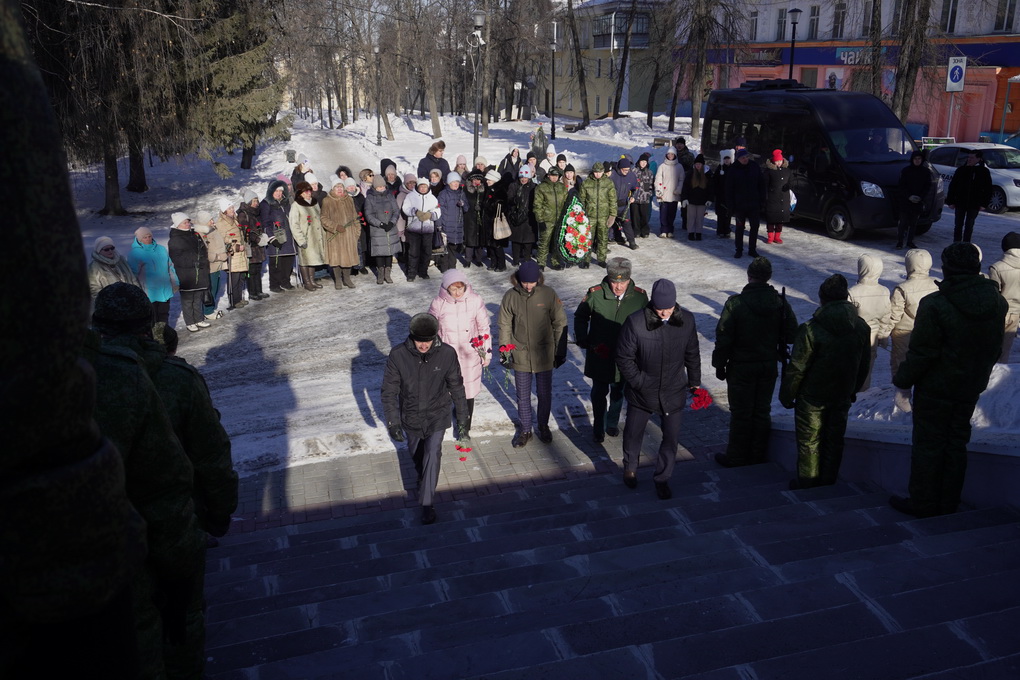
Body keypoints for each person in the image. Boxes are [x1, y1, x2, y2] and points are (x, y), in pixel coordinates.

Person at [94, 285, 237, 679]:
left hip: (109, 540)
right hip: (176, 525)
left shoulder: (81, 379)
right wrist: (220, 513)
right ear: (148, 325)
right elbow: (212, 456)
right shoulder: (176, 378)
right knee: (181, 620)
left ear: (97, 325)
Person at [890, 243, 1007, 517]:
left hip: (936, 388)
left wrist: (903, 381)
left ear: (947, 269)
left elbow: (922, 353)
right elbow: (994, 347)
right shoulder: (996, 302)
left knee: (929, 445)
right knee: (956, 443)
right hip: (970, 385)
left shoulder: (935, 304)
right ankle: (948, 501)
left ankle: (923, 502)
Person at [779, 274, 871, 489]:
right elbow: (863, 363)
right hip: (842, 393)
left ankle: (808, 482)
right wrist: (852, 389)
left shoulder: (810, 329)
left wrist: (787, 394)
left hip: (812, 397)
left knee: (809, 441)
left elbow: (797, 368)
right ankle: (828, 481)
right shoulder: (861, 327)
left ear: (822, 299)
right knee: (834, 439)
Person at [615, 279, 701, 500]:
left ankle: (663, 478)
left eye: (669, 308)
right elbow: (624, 357)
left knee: (671, 438)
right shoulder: (635, 322)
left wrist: (694, 381)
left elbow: (692, 353)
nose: (664, 313)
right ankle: (630, 468)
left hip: (673, 390)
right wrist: (639, 382)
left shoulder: (687, 320)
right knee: (633, 433)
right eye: (660, 308)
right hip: (642, 392)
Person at [382, 313, 469, 525]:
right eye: (419, 341)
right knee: (418, 456)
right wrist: (393, 422)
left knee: (432, 453)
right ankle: (424, 478)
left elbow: (456, 387)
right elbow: (389, 391)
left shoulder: (446, 354)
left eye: (427, 341)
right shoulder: (398, 355)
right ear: (412, 337)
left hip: (437, 414)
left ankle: (427, 504)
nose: (423, 345)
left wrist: (463, 418)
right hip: (411, 415)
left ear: (434, 337)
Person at [712, 257, 798, 468]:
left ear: (749, 275)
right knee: (761, 411)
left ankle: (736, 456)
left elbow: (724, 337)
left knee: (741, 413)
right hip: (767, 365)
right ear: (768, 277)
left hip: (741, 366)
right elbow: (792, 334)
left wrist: (719, 364)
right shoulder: (779, 302)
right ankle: (757, 455)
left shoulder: (736, 303)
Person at [575, 257, 648, 443]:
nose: (618, 287)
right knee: (599, 392)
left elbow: (647, 324)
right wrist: (583, 338)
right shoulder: (595, 294)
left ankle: (612, 422)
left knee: (618, 392)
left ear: (629, 280)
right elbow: (581, 316)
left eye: (622, 282)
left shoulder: (640, 298)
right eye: (614, 282)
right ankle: (598, 427)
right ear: (609, 279)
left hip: (626, 356)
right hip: (600, 353)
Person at [498, 260, 568, 447]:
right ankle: (525, 430)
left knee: (544, 393)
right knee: (522, 395)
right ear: (518, 279)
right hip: (520, 353)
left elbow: (560, 322)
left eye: (532, 282)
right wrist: (505, 351)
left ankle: (543, 425)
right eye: (525, 282)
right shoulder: (510, 296)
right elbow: (504, 324)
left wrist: (560, 351)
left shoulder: (548, 294)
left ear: (539, 279)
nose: (528, 286)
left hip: (544, 353)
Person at [428, 269, 491, 438]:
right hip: (446, 357)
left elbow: (484, 328)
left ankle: (464, 429)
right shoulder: (438, 303)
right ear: (446, 288)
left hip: (470, 354)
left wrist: (485, 353)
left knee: (467, 394)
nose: (457, 292)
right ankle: (443, 424)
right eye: (453, 289)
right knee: (447, 392)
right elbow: (430, 330)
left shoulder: (475, 300)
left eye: (460, 288)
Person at [888, 248, 939, 412]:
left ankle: (901, 403)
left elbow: (894, 315)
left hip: (904, 334)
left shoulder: (902, 288)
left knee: (902, 366)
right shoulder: (937, 284)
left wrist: (883, 333)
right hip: (930, 332)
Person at [848, 253, 892, 391]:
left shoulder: (853, 292)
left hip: (855, 336)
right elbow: (886, 315)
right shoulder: (884, 291)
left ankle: (851, 393)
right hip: (873, 335)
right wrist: (883, 335)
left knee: (851, 367)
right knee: (867, 367)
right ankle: (864, 391)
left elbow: (847, 316)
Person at [167, 212, 212, 332]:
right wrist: (194, 262)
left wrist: (203, 261)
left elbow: (202, 250)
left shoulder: (194, 235)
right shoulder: (175, 239)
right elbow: (176, 258)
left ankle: (198, 319)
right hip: (186, 275)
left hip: (199, 271)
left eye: (188, 222)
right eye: (184, 223)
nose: (187, 224)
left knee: (197, 297)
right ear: (178, 225)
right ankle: (190, 322)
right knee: (188, 299)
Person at [321, 175, 362, 289]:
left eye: (341, 187)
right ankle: (338, 280)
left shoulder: (349, 199)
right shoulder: (327, 201)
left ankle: (347, 279)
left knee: (348, 258)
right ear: (333, 188)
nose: (339, 189)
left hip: (349, 235)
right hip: (335, 236)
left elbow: (355, 217)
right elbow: (323, 218)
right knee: (336, 259)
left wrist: (356, 232)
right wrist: (335, 226)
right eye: (337, 187)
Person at [128, 228, 176, 325]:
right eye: (145, 237)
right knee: (152, 318)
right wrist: (136, 290)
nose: (148, 239)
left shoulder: (161, 249)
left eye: (149, 236)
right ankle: (154, 334)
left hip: (165, 290)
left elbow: (170, 267)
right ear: (139, 239)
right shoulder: (135, 253)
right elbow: (133, 274)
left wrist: (175, 282)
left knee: (164, 315)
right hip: (149, 292)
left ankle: (164, 332)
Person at [946, 149, 993, 243]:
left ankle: (966, 244)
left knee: (969, 225)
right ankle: (956, 243)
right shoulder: (961, 170)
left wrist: (984, 203)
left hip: (974, 203)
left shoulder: (983, 171)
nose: (969, 159)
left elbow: (988, 188)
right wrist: (950, 201)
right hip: (960, 202)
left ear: (978, 159)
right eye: (968, 157)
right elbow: (953, 186)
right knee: (958, 224)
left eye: (972, 158)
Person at [727, 148, 766, 259]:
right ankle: (739, 249)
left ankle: (752, 249)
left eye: (746, 157)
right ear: (738, 159)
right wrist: (731, 206)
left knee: (755, 227)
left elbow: (761, 184)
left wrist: (762, 200)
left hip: (754, 204)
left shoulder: (754, 166)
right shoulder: (733, 169)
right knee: (740, 228)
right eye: (742, 158)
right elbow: (729, 189)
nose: (745, 159)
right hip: (739, 205)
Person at [578, 162, 618, 268]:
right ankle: (586, 259)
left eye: (599, 172)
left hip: (603, 216)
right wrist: (581, 215)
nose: (597, 174)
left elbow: (613, 200)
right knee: (587, 238)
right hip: (589, 216)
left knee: (603, 239)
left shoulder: (608, 183)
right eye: (595, 172)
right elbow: (581, 200)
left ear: (603, 172)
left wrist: (612, 215)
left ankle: (601, 259)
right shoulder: (586, 183)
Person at [988, 231, 1020, 362]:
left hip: (1000, 311)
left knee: (992, 346)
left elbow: (994, 292)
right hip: (1016, 312)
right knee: (1006, 347)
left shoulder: (997, 267)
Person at [260, 179, 297, 292]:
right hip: (276, 237)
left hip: (288, 236)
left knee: (288, 260)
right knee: (276, 262)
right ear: (271, 191)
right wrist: (271, 237)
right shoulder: (266, 204)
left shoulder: (286, 202)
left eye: (280, 191)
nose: (279, 193)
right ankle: (274, 284)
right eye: (276, 191)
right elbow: (265, 222)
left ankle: (285, 281)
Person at [402, 177, 441, 281]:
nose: (423, 188)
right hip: (414, 229)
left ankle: (423, 272)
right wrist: (415, 212)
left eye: (425, 186)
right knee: (413, 252)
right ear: (417, 187)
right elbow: (405, 208)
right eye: (421, 186)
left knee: (426, 252)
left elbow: (438, 211)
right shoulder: (410, 196)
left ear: (428, 187)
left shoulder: (432, 198)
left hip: (428, 229)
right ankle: (411, 273)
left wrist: (430, 215)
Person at [363, 174, 400, 284]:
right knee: (379, 252)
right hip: (378, 230)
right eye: (379, 187)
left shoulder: (390, 196)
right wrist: (381, 224)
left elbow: (396, 211)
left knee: (389, 251)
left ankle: (387, 274)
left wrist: (392, 222)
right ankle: (380, 274)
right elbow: (368, 215)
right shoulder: (370, 198)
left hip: (390, 228)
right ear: (375, 187)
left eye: (383, 186)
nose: (382, 188)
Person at [289, 181, 325, 292]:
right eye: (306, 191)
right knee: (305, 260)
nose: (309, 193)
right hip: (305, 237)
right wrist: (300, 239)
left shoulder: (314, 203)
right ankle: (307, 282)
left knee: (312, 259)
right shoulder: (296, 205)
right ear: (300, 193)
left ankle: (312, 280)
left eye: (309, 191)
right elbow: (294, 224)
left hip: (315, 237)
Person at [533, 166, 568, 271]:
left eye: (556, 175)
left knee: (557, 241)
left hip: (560, 219)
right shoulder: (541, 187)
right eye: (552, 175)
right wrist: (540, 220)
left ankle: (555, 261)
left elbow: (566, 203)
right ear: (548, 175)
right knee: (544, 241)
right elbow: (537, 205)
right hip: (547, 219)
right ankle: (541, 262)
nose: (554, 177)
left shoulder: (562, 187)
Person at [237, 189, 269, 301]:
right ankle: (252, 292)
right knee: (252, 270)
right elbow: (245, 231)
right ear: (248, 201)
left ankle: (259, 290)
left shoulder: (256, 212)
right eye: (254, 201)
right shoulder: (243, 214)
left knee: (258, 268)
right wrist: (257, 239)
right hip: (250, 245)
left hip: (258, 246)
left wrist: (263, 236)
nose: (256, 203)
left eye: (257, 200)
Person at [896, 151, 931, 249]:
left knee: (913, 223)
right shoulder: (906, 171)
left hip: (918, 202)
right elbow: (901, 186)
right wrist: (908, 196)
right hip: (905, 201)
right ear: (912, 159)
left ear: (922, 160)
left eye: (919, 159)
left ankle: (910, 241)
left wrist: (921, 197)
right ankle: (900, 242)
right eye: (915, 159)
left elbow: (927, 186)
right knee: (903, 222)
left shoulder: (926, 172)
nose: (917, 161)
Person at [88, 236, 141, 304]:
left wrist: (138, 294)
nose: (110, 251)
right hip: (112, 305)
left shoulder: (121, 260)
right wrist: (105, 303)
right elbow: (94, 289)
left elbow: (132, 278)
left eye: (112, 248)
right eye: (106, 249)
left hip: (130, 301)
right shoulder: (94, 266)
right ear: (99, 251)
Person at [218, 198, 249, 310]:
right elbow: (223, 240)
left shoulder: (235, 220)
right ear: (224, 210)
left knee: (240, 278)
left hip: (240, 254)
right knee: (233, 279)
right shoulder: (221, 223)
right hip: (233, 255)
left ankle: (239, 298)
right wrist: (235, 247)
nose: (232, 209)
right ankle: (233, 301)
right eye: (229, 208)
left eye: (232, 207)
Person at [195, 210, 227, 319]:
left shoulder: (212, 229)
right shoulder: (201, 233)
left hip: (217, 265)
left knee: (216, 287)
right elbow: (204, 252)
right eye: (210, 220)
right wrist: (218, 257)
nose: (213, 221)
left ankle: (211, 308)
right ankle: (208, 311)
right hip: (210, 266)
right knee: (210, 289)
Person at [437, 171, 468, 270]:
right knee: (446, 248)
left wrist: (463, 204)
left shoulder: (461, 193)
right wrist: (440, 225)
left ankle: (452, 268)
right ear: (449, 183)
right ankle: (445, 268)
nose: (456, 184)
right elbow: (438, 210)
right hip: (446, 225)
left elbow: (466, 209)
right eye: (454, 182)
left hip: (457, 226)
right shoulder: (443, 194)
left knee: (453, 248)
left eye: (457, 182)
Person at [680, 154, 712, 242]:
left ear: (702, 165)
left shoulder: (707, 175)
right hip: (691, 200)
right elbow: (685, 187)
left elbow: (710, 188)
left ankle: (698, 233)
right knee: (691, 217)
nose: (698, 166)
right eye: (696, 164)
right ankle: (690, 232)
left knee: (700, 218)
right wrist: (684, 198)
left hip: (702, 201)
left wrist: (709, 199)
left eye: (699, 164)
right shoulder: (690, 174)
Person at [654, 146, 683, 238]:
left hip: (674, 194)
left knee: (671, 214)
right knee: (663, 214)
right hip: (664, 195)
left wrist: (679, 189)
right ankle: (663, 230)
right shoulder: (662, 166)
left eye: (672, 154)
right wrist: (659, 190)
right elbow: (658, 179)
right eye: (669, 154)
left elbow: (681, 179)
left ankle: (670, 230)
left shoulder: (679, 167)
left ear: (675, 155)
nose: (670, 156)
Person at [483, 168, 509, 271]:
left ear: (494, 180)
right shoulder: (489, 189)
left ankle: (501, 265)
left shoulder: (500, 190)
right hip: (489, 221)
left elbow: (503, 206)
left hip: (496, 221)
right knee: (490, 245)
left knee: (497, 245)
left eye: (489, 179)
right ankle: (493, 263)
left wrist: (493, 203)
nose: (487, 181)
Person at [763, 148, 791, 244]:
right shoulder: (769, 171)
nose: (779, 163)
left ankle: (777, 236)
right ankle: (770, 236)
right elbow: (764, 184)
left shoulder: (787, 171)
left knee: (780, 219)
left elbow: (791, 181)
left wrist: (788, 186)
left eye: (780, 161)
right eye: (777, 161)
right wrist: (766, 195)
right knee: (771, 218)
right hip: (772, 198)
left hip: (783, 198)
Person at [610, 157, 639, 248]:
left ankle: (632, 242)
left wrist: (633, 196)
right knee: (611, 222)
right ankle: (612, 238)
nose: (627, 171)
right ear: (620, 168)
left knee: (626, 223)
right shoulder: (612, 175)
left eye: (628, 169)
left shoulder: (631, 176)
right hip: (612, 204)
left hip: (624, 204)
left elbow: (636, 187)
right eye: (625, 170)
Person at [463, 171, 487, 268]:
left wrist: (481, 207)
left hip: (480, 217)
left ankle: (478, 259)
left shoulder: (484, 190)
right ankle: (468, 259)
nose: (476, 181)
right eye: (474, 179)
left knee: (479, 239)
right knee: (469, 239)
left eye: (478, 180)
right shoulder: (466, 190)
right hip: (469, 217)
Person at [631, 153, 654, 238]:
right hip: (635, 197)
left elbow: (651, 185)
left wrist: (649, 193)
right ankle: (636, 231)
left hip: (645, 197)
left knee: (644, 215)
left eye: (645, 162)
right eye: (642, 161)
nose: (643, 163)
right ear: (639, 162)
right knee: (635, 215)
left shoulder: (649, 172)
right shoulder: (633, 171)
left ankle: (645, 231)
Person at [712, 149, 734, 238]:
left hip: (730, 195)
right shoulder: (719, 169)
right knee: (720, 214)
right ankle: (720, 230)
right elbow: (715, 181)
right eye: (725, 159)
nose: (726, 160)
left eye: (728, 159)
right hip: (720, 195)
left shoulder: (733, 169)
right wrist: (715, 192)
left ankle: (727, 230)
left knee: (728, 214)